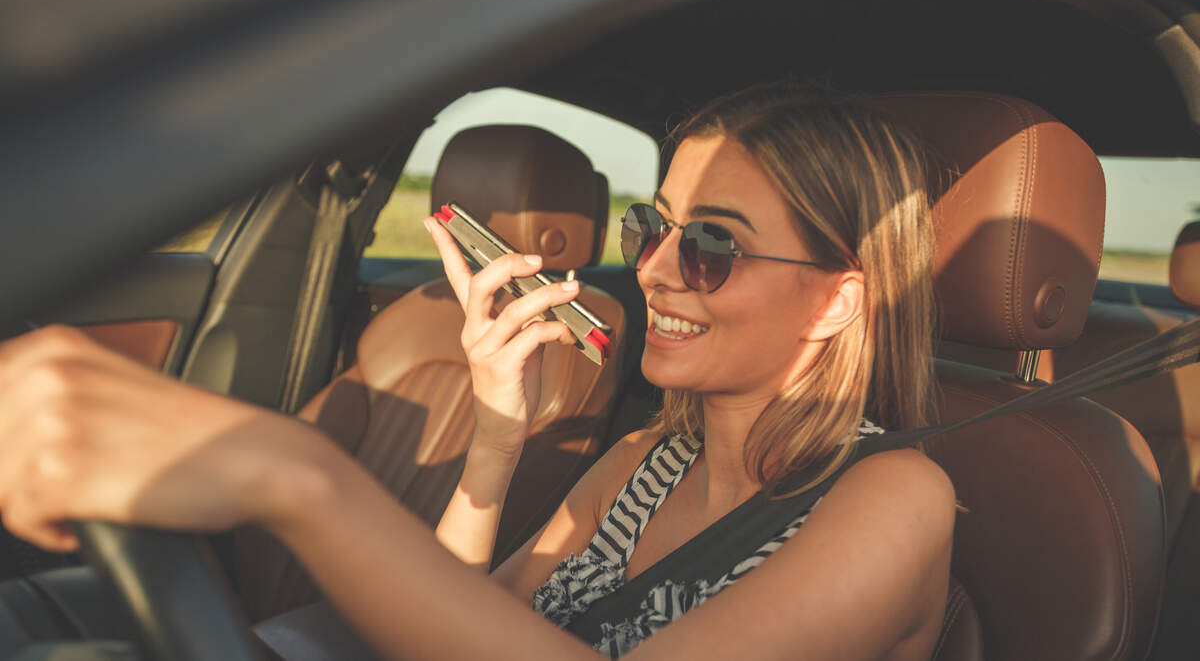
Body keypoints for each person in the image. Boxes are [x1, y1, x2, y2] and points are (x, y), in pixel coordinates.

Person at [0, 82, 955, 659]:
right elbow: (454, 625)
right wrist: (497, 438)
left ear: (837, 301)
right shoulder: (647, 460)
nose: (654, 268)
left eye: (710, 245)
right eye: (652, 227)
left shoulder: (893, 497)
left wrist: (299, 477)